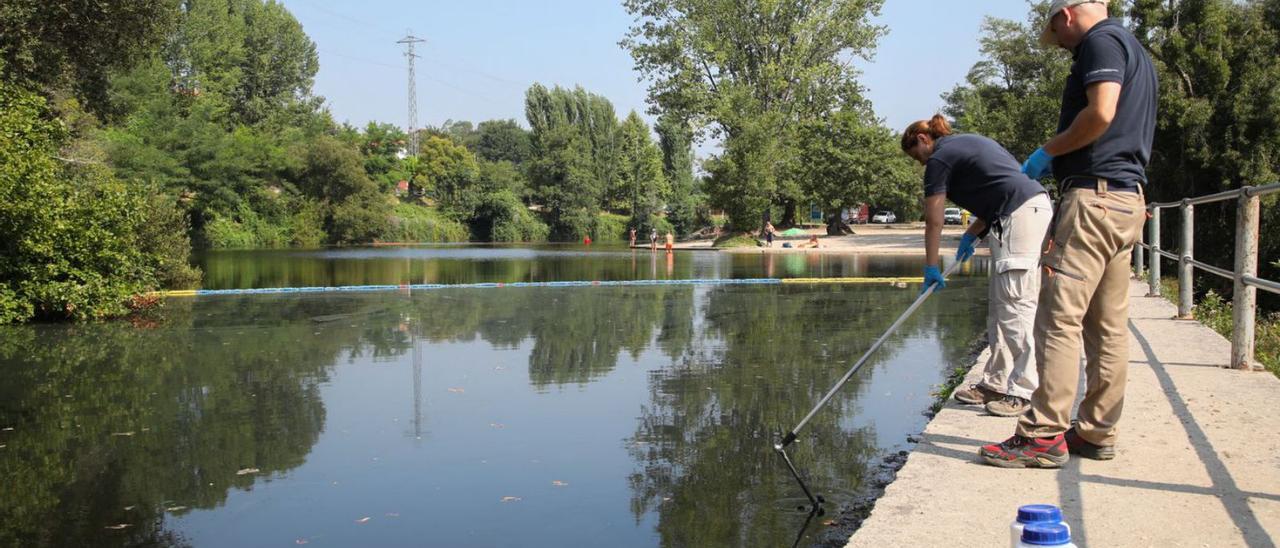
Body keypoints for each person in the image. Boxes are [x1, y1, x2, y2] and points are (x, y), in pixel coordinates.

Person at [980, 0, 1156, 469]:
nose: (1057, 42)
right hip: (1126, 200)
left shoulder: (1099, 42)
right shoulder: (1135, 48)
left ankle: (1042, 434)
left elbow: (1100, 113)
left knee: (1057, 318)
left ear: (1066, 15)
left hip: (1093, 201)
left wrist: (1046, 152)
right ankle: (1097, 431)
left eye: (1055, 33)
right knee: (1107, 325)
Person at [902, 114, 1053, 418]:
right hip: (1013, 214)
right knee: (1001, 307)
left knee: (1016, 305)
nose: (920, 164)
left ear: (922, 140)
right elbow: (997, 190)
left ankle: (1025, 391)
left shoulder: (939, 158)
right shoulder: (965, 144)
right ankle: (995, 384)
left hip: (1020, 215)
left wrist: (931, 266)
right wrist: (971, 234)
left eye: (916, 157)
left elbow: (934, 219)